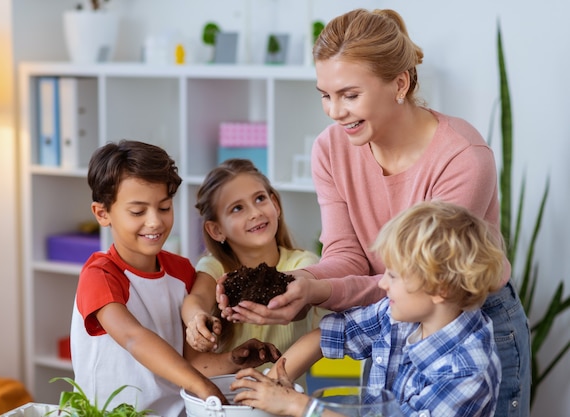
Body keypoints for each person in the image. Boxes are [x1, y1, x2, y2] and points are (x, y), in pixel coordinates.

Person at [216, 8, 530, 417]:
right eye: (325, 95)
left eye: (350, 95)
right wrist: (295, 284)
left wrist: (318, 296)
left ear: (399, 84)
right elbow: (348, 261)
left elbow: (430, 278)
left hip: (465, 316)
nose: (333, 111)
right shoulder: (331, 150)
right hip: (397, 308)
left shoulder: (462, 158)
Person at [230, 201, 504, 417]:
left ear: (439, 288)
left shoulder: (468, 371)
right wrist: (274, 382)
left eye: (394, 276)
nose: (382, 283)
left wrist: (297, 405)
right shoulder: (399, 315)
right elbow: (326, 336)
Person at [70, 140, 281, 416]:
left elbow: (192, 363)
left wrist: (233, 360)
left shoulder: (181, 271)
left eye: (164, 207)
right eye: (138, 211)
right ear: (102, 213)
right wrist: (203, 387)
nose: (155, 221)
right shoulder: (100, 275)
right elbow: (134, 338)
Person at [181, 158, 322, 388]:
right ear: (216, 230)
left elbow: (302, 303)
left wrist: (268, 386)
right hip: (228, 403)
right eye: (237, 208)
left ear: (275, 204)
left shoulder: (304, 263)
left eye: (260, 199)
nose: (255, 212)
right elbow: (196, 299)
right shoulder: (214, 267)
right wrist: (195, 319)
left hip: (286, 403)